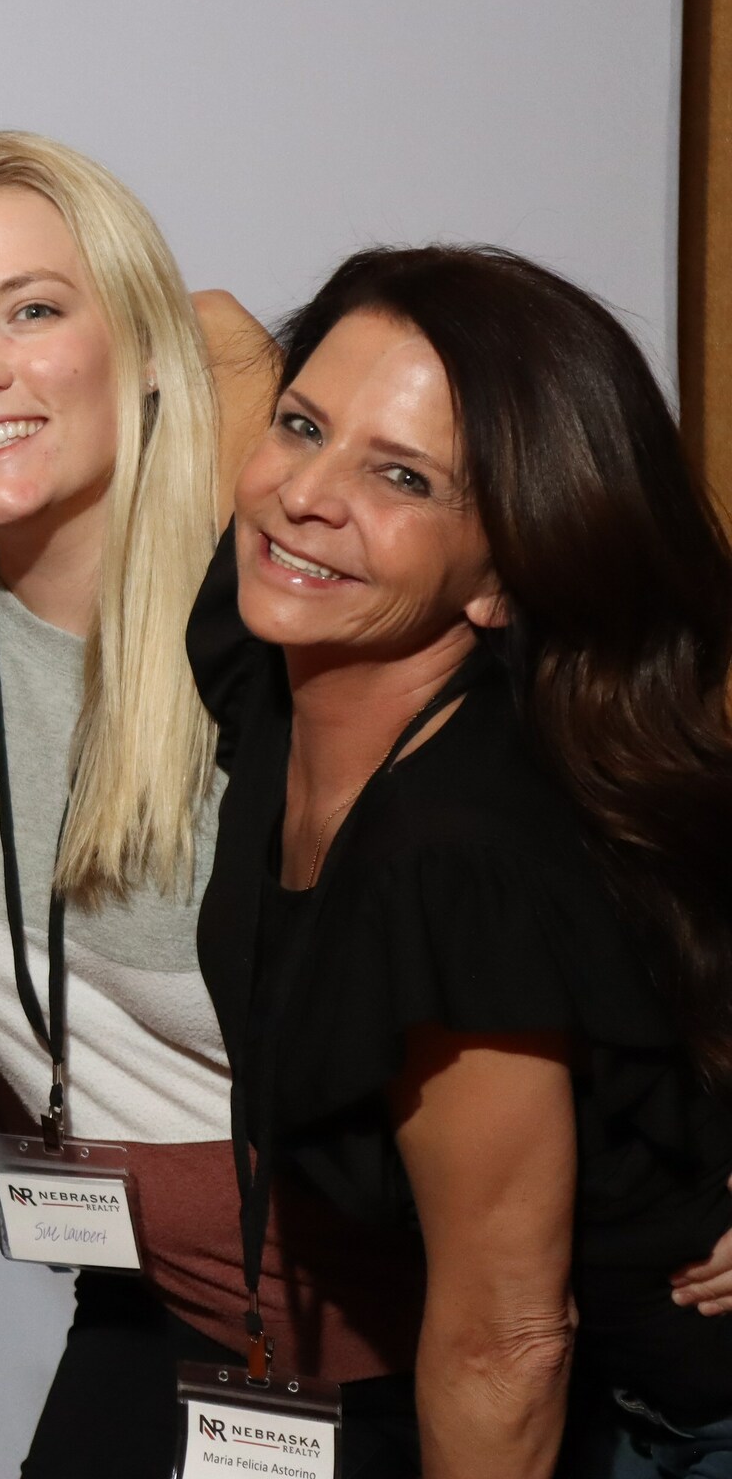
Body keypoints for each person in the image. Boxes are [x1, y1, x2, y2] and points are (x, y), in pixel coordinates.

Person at [0, 134, 423, 1477]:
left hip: (428, 1334)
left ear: (140, 345)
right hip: (156, 1308)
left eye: (32, 311)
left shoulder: (273, 632)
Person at [192, 246, 732, 1477]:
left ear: (504, 577)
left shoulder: (454, 860)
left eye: (403, 475)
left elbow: (508, 1343)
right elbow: (211, 324)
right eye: (301, 426)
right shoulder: (269, 652)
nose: (304, 494)